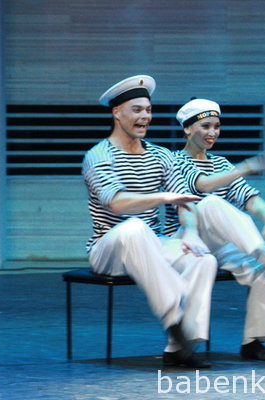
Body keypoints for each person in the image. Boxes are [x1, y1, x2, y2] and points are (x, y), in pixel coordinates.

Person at [82, 76, 217, 368]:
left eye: (148, 110)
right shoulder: (99, 156)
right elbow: (116, 203)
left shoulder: (160, 155)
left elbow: (185, 201)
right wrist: (163, 197)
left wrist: (190, 232)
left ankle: (180, 346)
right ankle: (174, 319)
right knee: (135, 227)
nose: (145, 116)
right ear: (117, 113)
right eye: (136, 110)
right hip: (109, 250)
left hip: (151, 247)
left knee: (202, 259)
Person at [163, 98, 265, 361]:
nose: (212, 132)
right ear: (187, 128)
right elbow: (204, 185)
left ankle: (254, 342)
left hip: (218, 244)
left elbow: (248, 196)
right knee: (210, 203)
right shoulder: (173, 160)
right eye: (205, 126)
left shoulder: (221, 163)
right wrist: (248, 166)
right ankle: (186, 346)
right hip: (185, 240)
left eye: (216, 126)